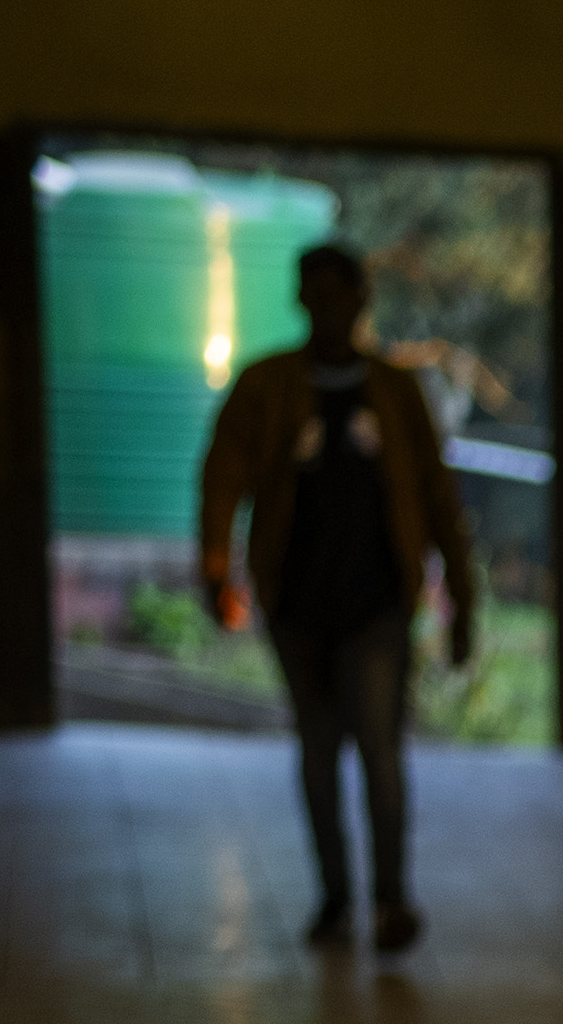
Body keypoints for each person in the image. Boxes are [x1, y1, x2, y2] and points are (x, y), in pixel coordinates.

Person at [197, 243, 479, 952]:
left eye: (340, 294)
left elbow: (436, 494)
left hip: (379, 602)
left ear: (360, 301)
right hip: (296, 602)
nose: (328, 309)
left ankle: (390, 900)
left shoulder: (395, 391)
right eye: (315, 295)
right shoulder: (267, 388)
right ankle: (334, 898)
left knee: (380, 750)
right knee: (319, 751)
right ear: (301, 300)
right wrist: (214, 567)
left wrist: (462, 596)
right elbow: (222, 477)